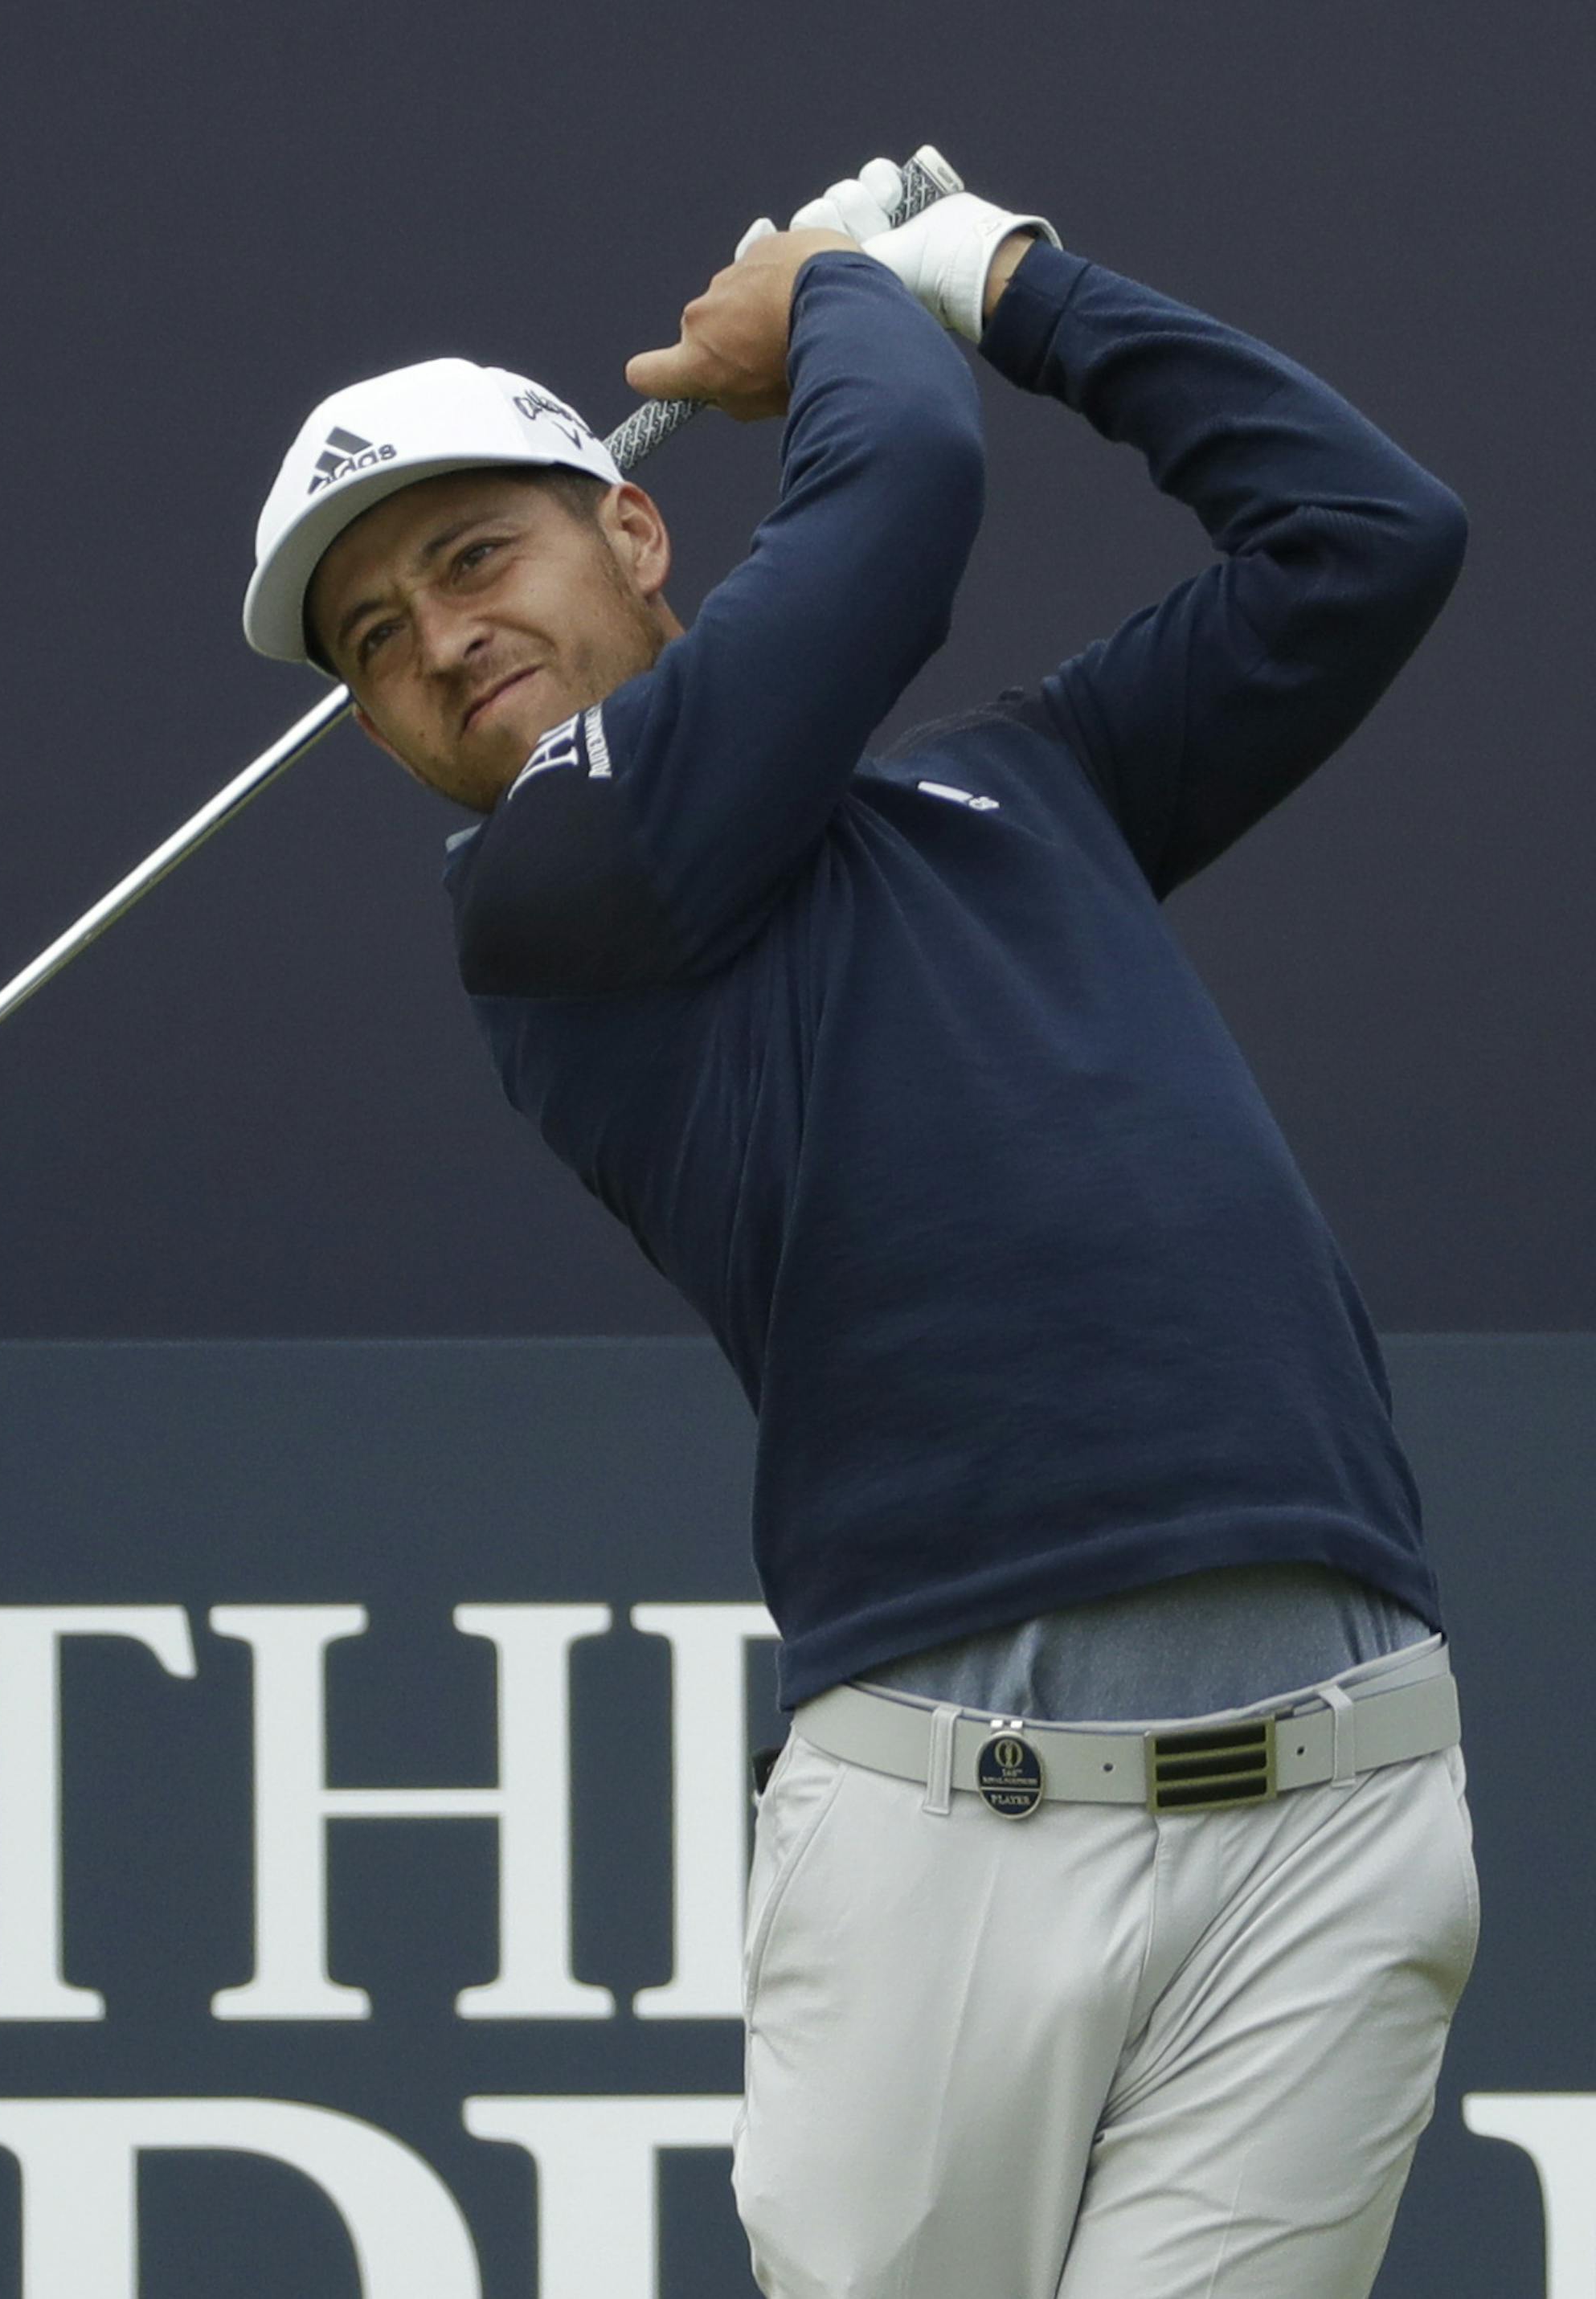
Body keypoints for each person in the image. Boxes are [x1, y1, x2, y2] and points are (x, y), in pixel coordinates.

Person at [243, 157, 1479, 2299]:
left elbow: (1366, 539)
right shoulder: (553, 901)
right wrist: (854, 293)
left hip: (1343, 1805)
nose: (443, 639)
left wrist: (1020, 282)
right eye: (377, 641)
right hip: (946, 1840)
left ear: (633, 527)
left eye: (471, 557)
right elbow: (896, 491)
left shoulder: (1029, 785)